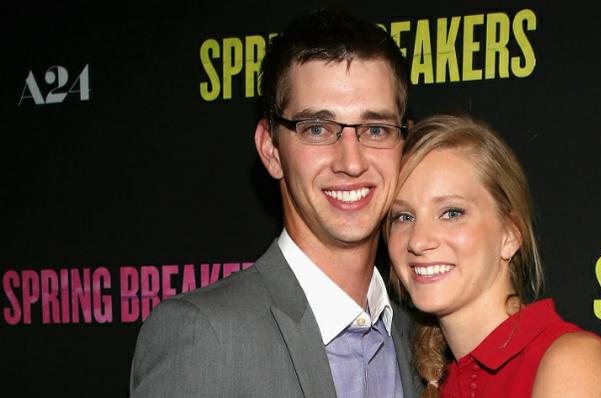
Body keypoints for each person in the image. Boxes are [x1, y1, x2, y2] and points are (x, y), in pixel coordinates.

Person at [130, 8, 422, 397]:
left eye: (375, 129)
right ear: (270, 149)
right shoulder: (207, 336)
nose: (351, 162)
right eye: (317, 128)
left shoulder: (421, 338)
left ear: (404, 144)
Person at [386, 114, 601, 397]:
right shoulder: (437, 382)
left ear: (510, 235)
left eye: (452, 213)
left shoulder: (573, 363)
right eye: (404, 216)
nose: (418, 240)